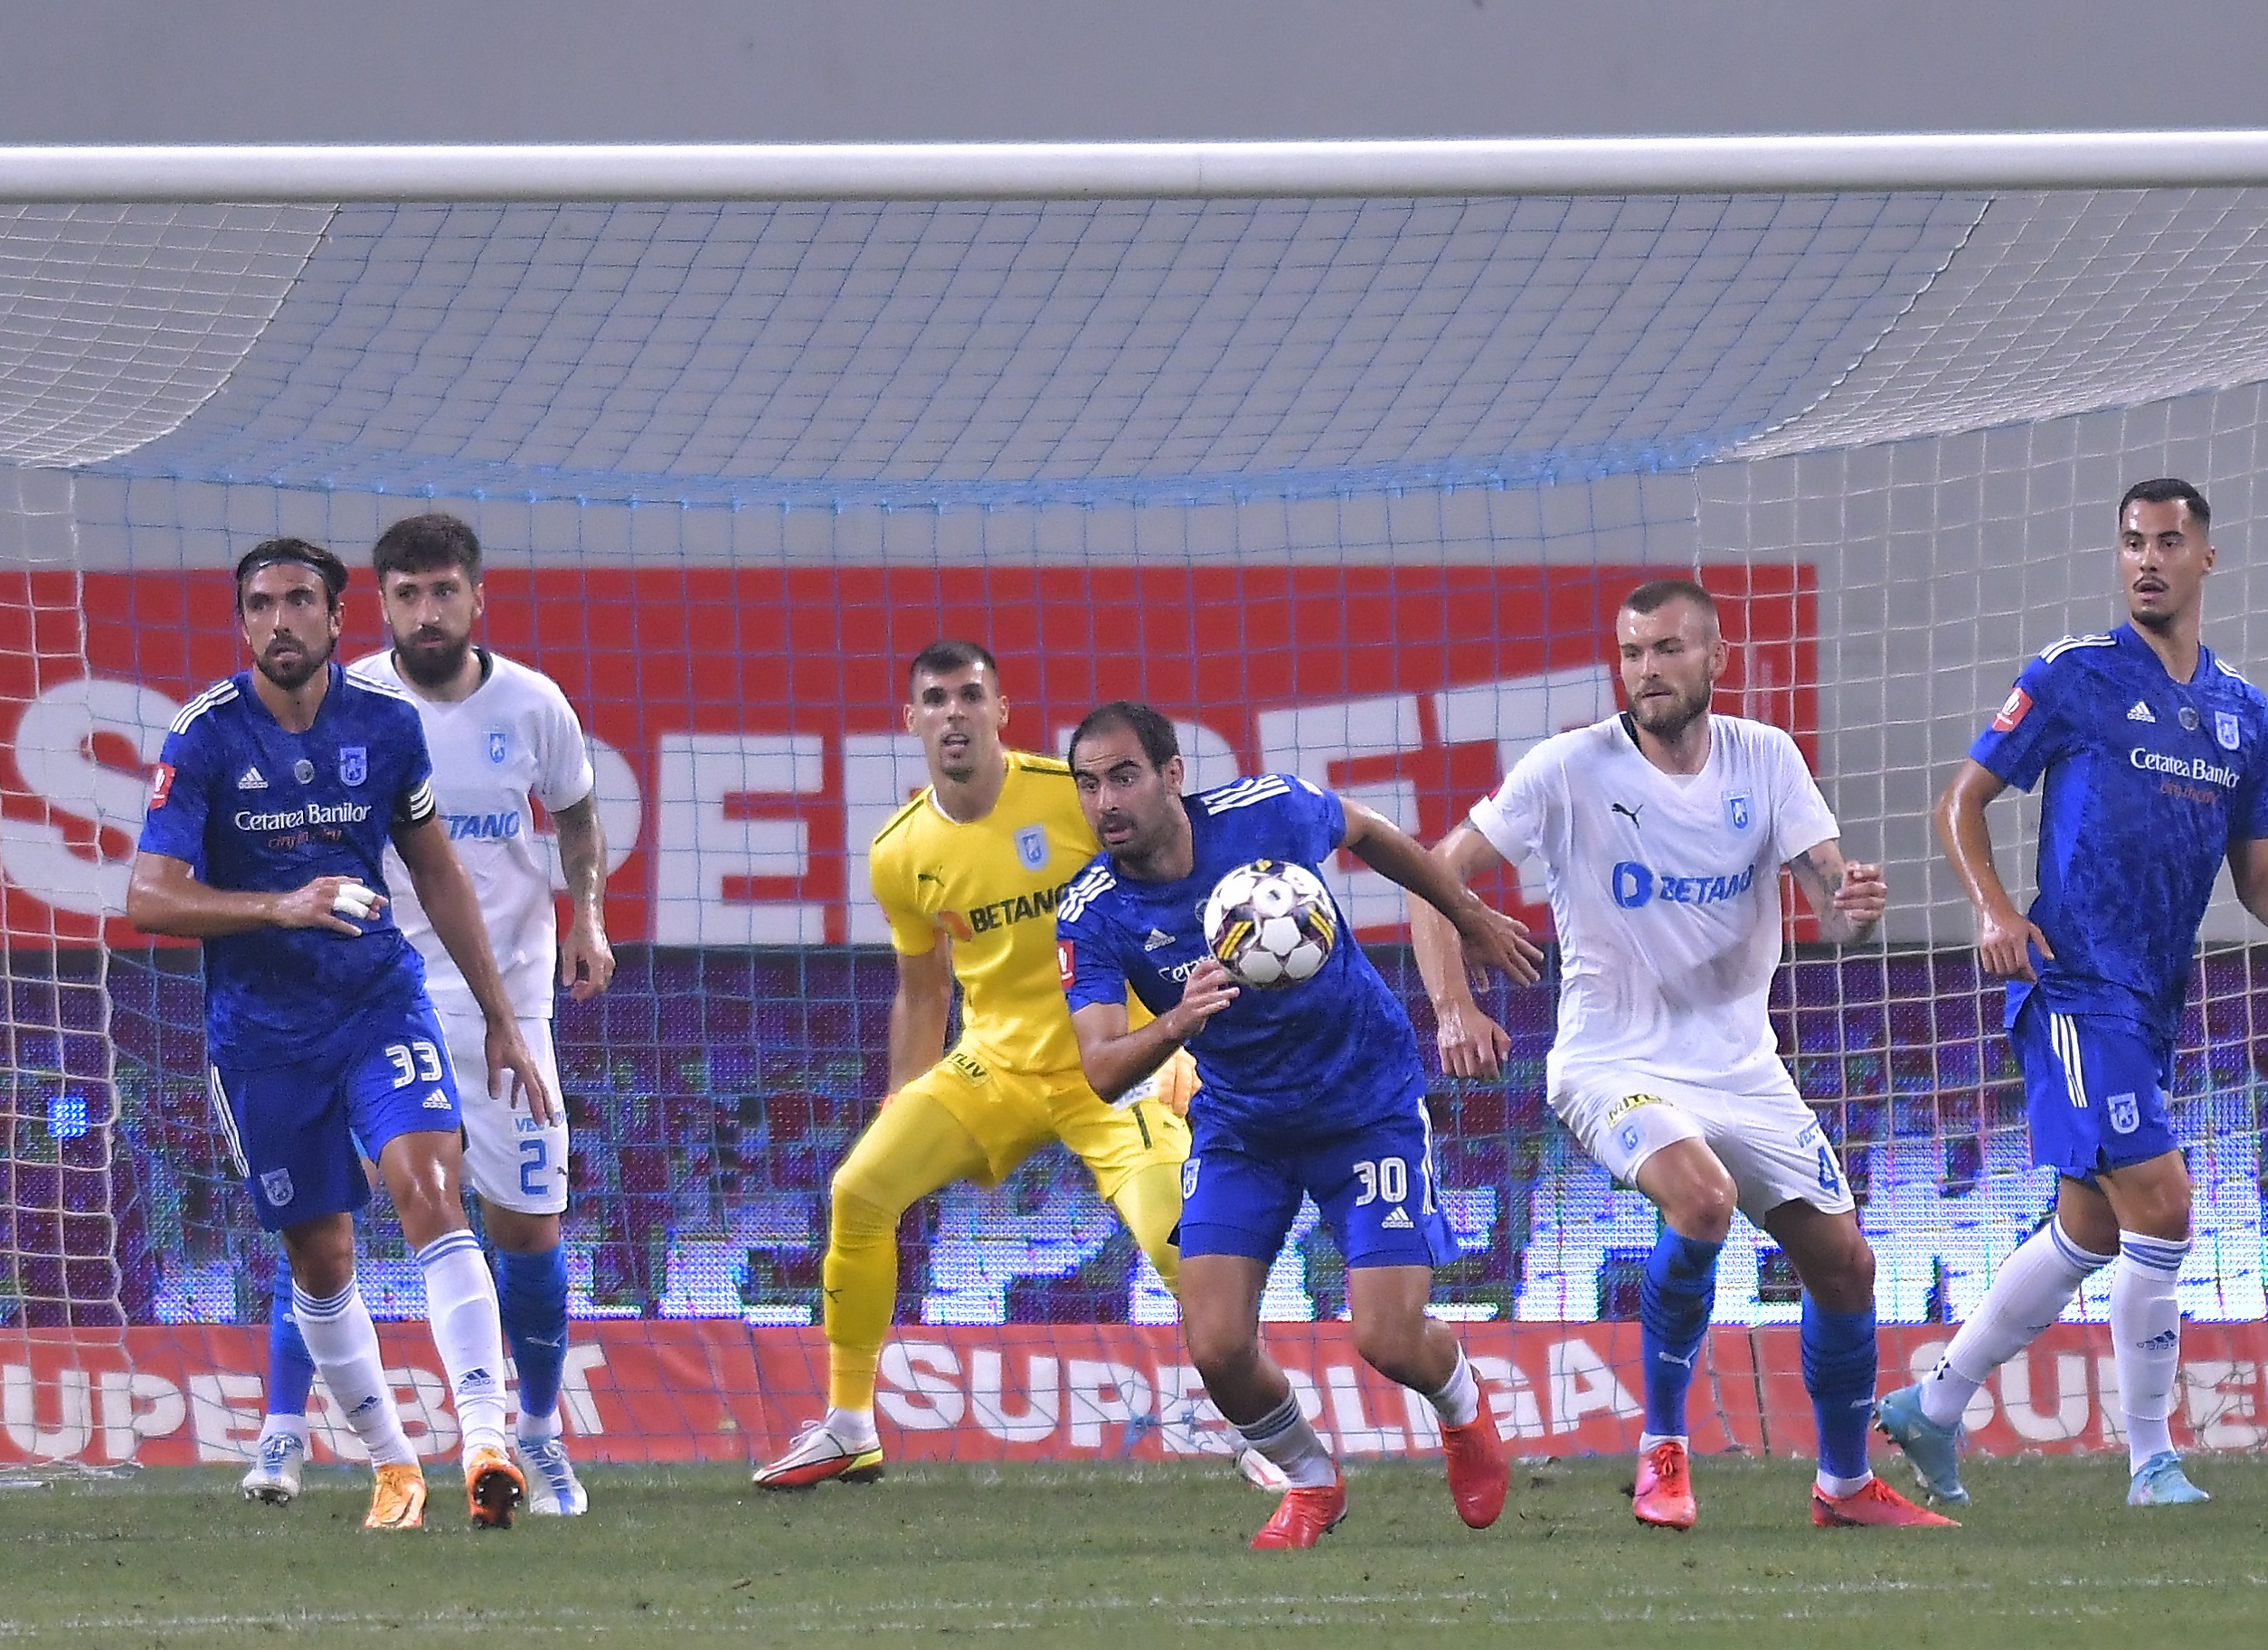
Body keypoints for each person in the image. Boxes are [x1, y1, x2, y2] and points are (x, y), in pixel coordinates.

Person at [1409, 577, 1954, 1532]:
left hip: (1740, 1065)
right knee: (1699, 1199)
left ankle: (1840, 1484)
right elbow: (1428, 876)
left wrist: (1852, 906)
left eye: (1665, 649)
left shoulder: (1766, 758)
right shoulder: (1568, 768)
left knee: (1845, 1266)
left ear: (1715, 658)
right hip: (1610, 1061)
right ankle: (1662, 1451)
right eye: (1629, 653)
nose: (1645, 670)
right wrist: (1452, 1006)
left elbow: (1833, 902)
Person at [1878, 478, 2268, 1508]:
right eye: (2131, 542)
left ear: (2203, 560)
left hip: (2153, 997)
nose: (2146, 558)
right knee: (2166, 1204)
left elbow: (2257, 876)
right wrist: (1996, 912)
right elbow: (1961, 799)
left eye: (2166, 542)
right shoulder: (2071, 676)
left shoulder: (2240, 713)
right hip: (2073, 986)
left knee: (2092, 1230)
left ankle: (1933, 1404)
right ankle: (2150, 1460)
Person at [128, 537, 556, 1531]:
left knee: (432, 1188)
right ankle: (394, 1465)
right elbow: (148, 895)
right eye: (262, 606)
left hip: (378, 1003)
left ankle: (486, 1442)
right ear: (243, 625)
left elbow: (437, 871)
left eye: (300, 603)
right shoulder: (205, 737)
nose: (280, 620)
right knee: (321, 1261)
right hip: (263, 1035)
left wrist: (499, 1016)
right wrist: (280, 906)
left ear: (335, 620)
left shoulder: (385, 727)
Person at [1055, 701, 1542, 1549]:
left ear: (1172, 775)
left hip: (1364, 1105)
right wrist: (1175, 1022)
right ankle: (1311, 1483)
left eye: (1123, 777)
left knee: (1387, 1339)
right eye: (1087, 785)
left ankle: (1462, 1412)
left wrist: (1464, 914)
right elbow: (1099, 1071)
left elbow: (1370, 830)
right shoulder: (1091, 912)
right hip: (1243, 1125)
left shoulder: (1266, 813)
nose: (1105, 803)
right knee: (1213, 1345)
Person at [751, 644, 1195, 1489]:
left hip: (1113, 1064)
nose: (952, 712)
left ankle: (1260, 1429)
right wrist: (900, 1103)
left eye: (969, 696)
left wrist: (1183, 1047)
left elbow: (1169, 892)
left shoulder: (1073, 796)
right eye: (934, 699)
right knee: (860, 1190)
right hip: (993, 1066)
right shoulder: (898, 851)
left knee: (1177, 1242)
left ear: (1001, 712)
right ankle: (849, 1426)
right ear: (909, 720)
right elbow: (922, 994)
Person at [240, 513, 613, 1516]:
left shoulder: (534, 704)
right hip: (376, 1006)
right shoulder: (347, 702)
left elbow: (576, 811)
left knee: (527, 1228)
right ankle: (281, 1430)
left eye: (444, 590)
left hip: (509, 1005)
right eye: (407, 594)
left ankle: (535, 1439)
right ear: (382, 603)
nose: (427, 611)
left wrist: (590, 916)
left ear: (476, 596)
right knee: (326, 1216)